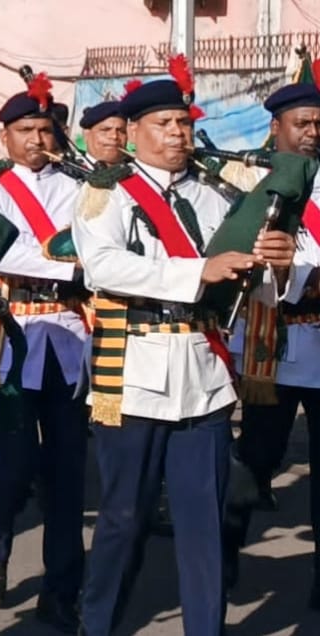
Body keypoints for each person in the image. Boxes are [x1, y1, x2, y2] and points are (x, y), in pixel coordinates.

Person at [72, 69, 297, 635]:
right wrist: (198, 270)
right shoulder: (107, 191)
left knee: (206, 524)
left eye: (183, 122)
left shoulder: (216, 193)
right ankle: (97, 624)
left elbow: (247, 286)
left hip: (204, 376)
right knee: (124, 519)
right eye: (163, 123)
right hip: (134, 376)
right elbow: (103, 266)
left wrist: (277, 267)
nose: (177, 132)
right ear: (133, 131)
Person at [0, 86, 89, 633]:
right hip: (11, 334)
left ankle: (61, 590)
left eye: (44, 129)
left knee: (67, 473)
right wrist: (66, 261)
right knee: (12, 465)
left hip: (68, 336)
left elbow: (96, 245)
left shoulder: (82, 188)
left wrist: (72, 260)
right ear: (5, 137)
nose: (37, 139)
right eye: (24, 131)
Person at [223, 81, 320, 605]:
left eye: (318, 124)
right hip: (272, 346)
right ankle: (224, 555)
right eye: (302, 123)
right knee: (256, 460)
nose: (312, 133)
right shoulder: (249, 183)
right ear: (276, 127)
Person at [79, 101, 128, 167]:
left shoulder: (136, 171)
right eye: (105, 130)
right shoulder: (68, 171)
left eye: (121, 131)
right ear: (86, 135)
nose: (114, 136)